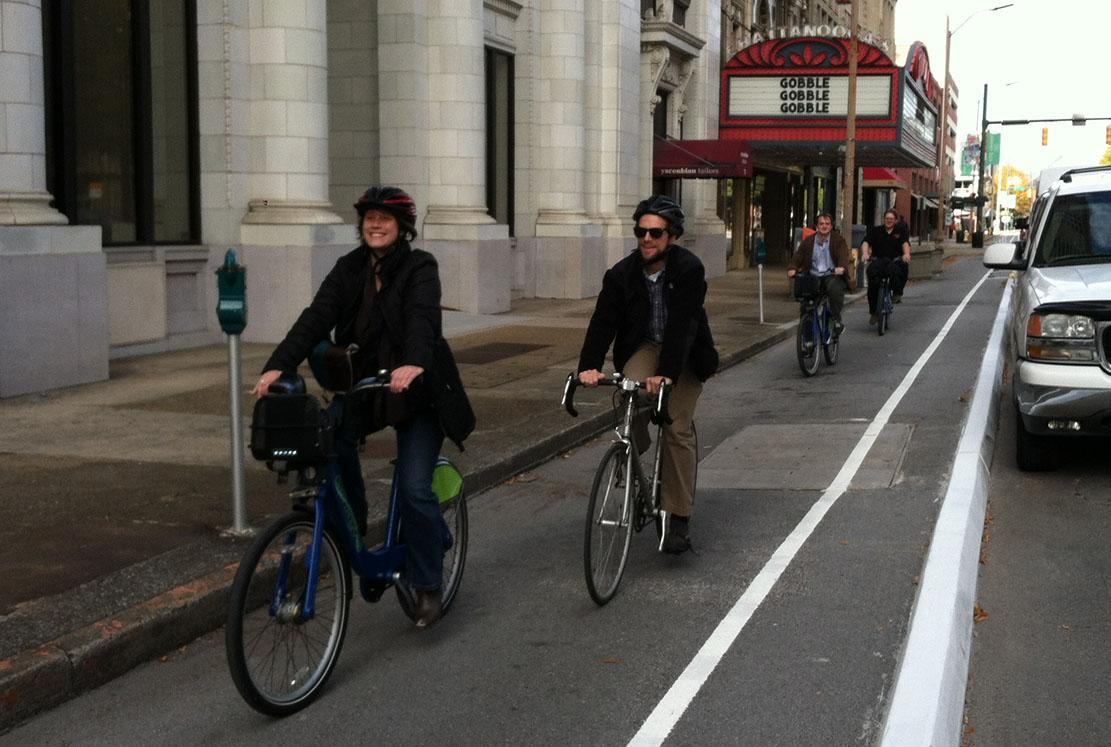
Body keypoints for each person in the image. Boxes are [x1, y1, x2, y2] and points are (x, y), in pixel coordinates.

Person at [252, 186, 472, 628]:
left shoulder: (419, 267)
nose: (375, 224)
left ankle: (427, 583)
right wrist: (278, 365)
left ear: (402, 227)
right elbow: (316, 317)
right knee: (328, 450)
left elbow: (422, 320)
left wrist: (413, 362)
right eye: (370, 217)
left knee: (413, 487)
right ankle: (355, 530)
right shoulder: (348, 268)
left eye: (385, 219)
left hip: (417, 390)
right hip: (366, 389)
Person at [576, 195, 719, 554]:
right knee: (627, 390)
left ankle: (678, 517)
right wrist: (588, 367)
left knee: (676, 425)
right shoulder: (621, 274)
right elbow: (602, 322)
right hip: (645, 346)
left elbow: (683, 326)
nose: (646, 239)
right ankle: (632, 450)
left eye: (655, 233)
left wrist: (668, 376)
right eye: (641, 231)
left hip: (684, 354)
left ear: (672, 237)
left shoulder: (689, 270)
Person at [787, 213, 854, 336]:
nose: (824, 226)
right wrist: (792, 268)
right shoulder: (809, 241)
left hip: (831, 275)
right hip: (813, 276)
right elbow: (798, 256)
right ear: (816, 226)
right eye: (821, 224)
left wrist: (841, 267)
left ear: (831, 226)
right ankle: (807, 338)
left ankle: (835, 320)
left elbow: (843, 255)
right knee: (806, 304)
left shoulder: (838, 240)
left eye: (827, 224)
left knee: (834, 290)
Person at [861, 209, 911, 323]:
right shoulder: (876, 230)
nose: (889, 221)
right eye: (887, 219)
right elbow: (866, 242)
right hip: (878, 260)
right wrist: (865, 253)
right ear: (884, 219)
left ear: (895, 220)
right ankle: (874, 312)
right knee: (873, 281)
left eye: (891, 219)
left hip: (894, 260)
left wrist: (906, 254)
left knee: (902, 268)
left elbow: (905, 244)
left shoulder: (900, 231)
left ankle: (897, 293)